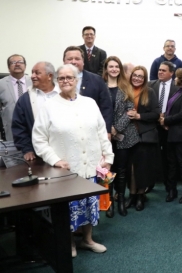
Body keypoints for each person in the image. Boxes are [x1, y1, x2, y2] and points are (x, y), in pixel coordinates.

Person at [32, 64, 114, 258]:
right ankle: (68, 243)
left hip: (92, 166)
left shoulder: (89, 103)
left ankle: (87, 240)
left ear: (77, 81)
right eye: (61, 78)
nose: (66, 81)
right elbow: (39, 139)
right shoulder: (48, 106)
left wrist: (108, 157)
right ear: (57, 81)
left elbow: (102, 132)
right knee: (69, 209)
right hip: (66, 170)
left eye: (70, 77)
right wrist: (54, 159)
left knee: (88, 204)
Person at [102, 56, 138, 217]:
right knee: (107, 170)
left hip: (124, 136)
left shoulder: (126, 87)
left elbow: (130, 111)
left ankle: (121, 201)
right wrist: (107, 130)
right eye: (111, 66)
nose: (114, 69)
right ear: (106, 68)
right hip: (103, 136)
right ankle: (109, 203)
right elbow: (95, 111)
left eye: (117, 66)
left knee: (122, 170)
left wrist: (116, 129)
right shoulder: (100, 87)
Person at [159, 68, 182, 204]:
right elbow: (172, 109)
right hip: (172, 133)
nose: (174, 79)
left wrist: (166, 120)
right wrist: (164, 117)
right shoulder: (178, 91)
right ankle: (172, 190)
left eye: (176, 77)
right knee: (171, 163)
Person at [126, 66, 160, 211]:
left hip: (145, 135)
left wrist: (139, 116)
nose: (137, 78)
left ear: (144, 78)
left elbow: (156, 114)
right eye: (135, 75)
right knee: (131, 167)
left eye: (140, 76)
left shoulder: (149, 92)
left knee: (142, 168)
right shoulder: (125, 91)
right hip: (127, 135)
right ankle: (132, 194)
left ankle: (140, 195)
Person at [12, 62, 59, 160]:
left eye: (37, 73)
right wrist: (27, 149)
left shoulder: (63, 95)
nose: (32, 76)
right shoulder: (25, 99)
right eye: (32, 73)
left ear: (49, 76)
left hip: (63, 151)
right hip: (37, 155)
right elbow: (19, 127)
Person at [63, 46, 113, 137]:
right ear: (64, 62)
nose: (73, 62)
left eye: (77, 59)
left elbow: (106, 108)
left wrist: (107, 131)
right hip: (64, 132)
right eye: (70, 59)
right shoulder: (56, 81)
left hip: (91, 133)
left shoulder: (97, 80)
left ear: (83, 62)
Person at [149, 61, 180, 198]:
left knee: (170, 158)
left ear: (171, 73)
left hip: (170, 127)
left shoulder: (178, 87)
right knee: (152, 157)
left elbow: (180, 108)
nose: (160, 72)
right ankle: (149, 183)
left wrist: (166, 119)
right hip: (153, 127)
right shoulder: (151, 85)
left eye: (163, 70)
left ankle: (171, 187)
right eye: (159, 70)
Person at [0, 54, 32, 141]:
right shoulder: (1, 84)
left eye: (20, 62)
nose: (17, 64)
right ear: (8, 67)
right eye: (13, 62)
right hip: (10, 128)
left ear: (25, 66)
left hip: (33, 125)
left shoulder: (34, 82)